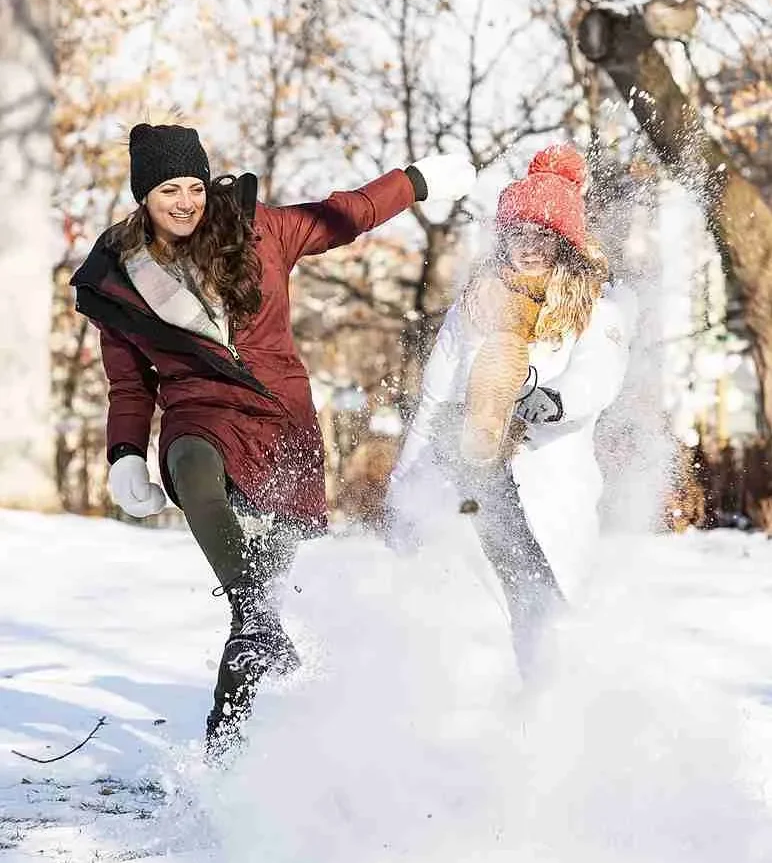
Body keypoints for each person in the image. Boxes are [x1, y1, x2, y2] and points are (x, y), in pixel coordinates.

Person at [71, 122, 477, 753]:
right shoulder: (119, 280)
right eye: (168, 190)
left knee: (260, 604)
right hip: (199, 409)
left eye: (194, 187)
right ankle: (253, 614)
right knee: (193, 468)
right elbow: (129, 385)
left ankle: (224, 746)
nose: (185, 202)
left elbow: (347, 214)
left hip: (281, 422)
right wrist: (125, 453)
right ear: (143, 197)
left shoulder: (261, 231)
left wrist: (416, 181)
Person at [387, 144, 637, 677]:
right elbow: (433, 400)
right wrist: (403, 488)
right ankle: (484, 715)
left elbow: (600, 373)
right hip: (473, 482)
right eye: (518, 234)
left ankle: (553, 706)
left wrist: (555, 399)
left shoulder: (596, 309)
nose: (529, 247)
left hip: (548, 481)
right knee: (473, 631)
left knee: (546, 620)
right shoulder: (475, 306)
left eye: (542, 235)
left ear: (564, 242)